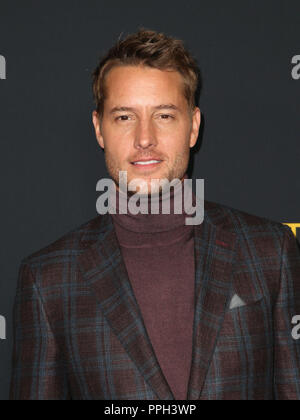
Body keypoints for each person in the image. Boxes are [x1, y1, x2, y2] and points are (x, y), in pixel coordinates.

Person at [10, 28, 300, 400]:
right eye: (124, 117)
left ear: (193, 126)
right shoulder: (47, 281)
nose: (144, 138)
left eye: (163, 115)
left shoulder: (270, 252)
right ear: (99, 129)